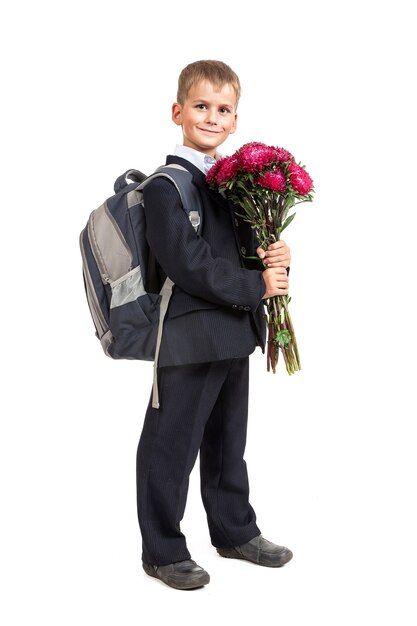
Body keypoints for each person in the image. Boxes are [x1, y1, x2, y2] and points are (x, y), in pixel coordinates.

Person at [136, 60, 293, 590]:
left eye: (222, 109)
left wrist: (274, 259)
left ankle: (234, 531)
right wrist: (257, 287)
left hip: (233, 333)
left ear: (234, 121)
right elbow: (187, 264)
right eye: (200, 106)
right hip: (187, 337)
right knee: (171, 444)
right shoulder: (167, 186)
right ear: (178, 111)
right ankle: (162, 549)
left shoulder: (231, 186)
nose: (211, 116)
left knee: (228, 442)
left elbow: (243, 256)